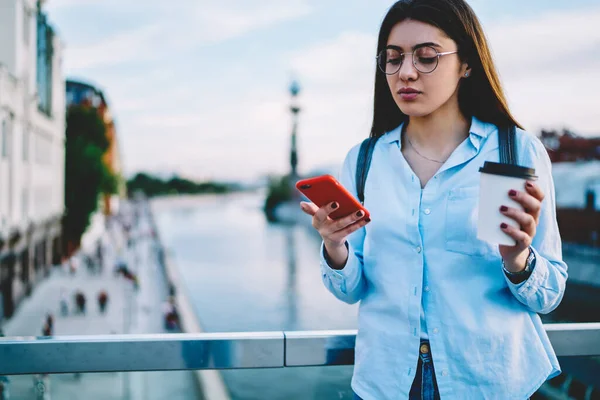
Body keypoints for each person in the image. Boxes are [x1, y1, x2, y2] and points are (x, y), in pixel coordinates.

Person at [299, 1, 568, 399]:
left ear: (467, 64)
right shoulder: (364, 160)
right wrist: (334, 246)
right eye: (393, 59)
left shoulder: (513, 151)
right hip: (386, 381)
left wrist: (517, 260)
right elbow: (350, 290)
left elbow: (549, 296)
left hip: (489, 382)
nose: (406, 72)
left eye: (426, 57)